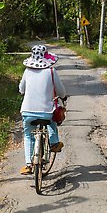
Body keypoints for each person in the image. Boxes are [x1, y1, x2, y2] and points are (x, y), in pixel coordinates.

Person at [18, 44, 67, 175]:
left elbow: (21, 89)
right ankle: (54, 143)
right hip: (46, 112)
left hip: (27, 112)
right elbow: (61, 90)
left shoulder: (27, 71)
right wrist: (63, 97)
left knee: (28, 135)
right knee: (52, 121)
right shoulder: (51, 71)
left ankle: (28, 164)